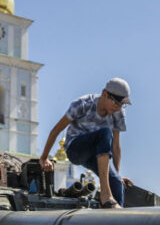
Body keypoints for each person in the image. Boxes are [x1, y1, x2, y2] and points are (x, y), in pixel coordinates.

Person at [39, 78, 132, 208]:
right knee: (105, 133)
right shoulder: (83, 104)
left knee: (116, 183)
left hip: (98, 154)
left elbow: (116, 146)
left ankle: (114, 222)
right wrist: (44, 158)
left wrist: (117, 174)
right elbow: (55, 130)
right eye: (116, 103)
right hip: (76, 149)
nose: (118, 108)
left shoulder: (118, 113)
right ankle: (106, 195)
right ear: (105, 94)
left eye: (121, 104)